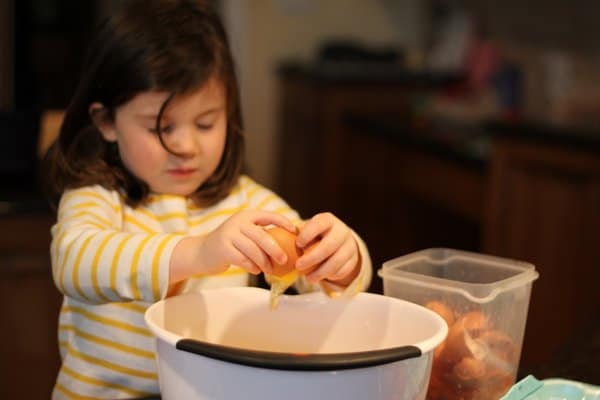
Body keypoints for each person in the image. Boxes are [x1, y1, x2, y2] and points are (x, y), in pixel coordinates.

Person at [43, 0, 372, 398]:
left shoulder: (246, 201)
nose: (186, 146)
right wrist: (198, 253)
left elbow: (317, 283)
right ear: (107, 122)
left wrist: (343, 260)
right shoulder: (95, 196)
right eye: (160, 127)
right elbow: (75, 262)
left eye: (206, 123)